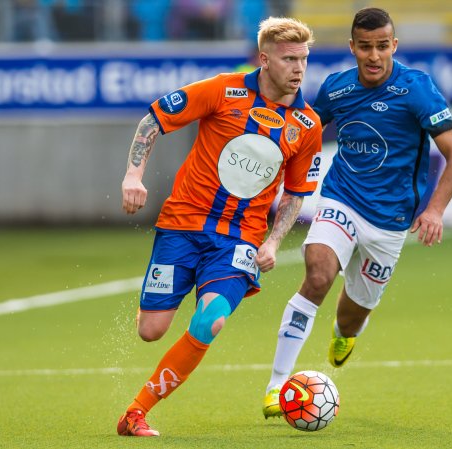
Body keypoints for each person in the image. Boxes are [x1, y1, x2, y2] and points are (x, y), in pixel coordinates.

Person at [116, 16, 322, 437]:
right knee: (151, 331)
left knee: (211, 319)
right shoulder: (223, 89)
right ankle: (158, 301)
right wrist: (133, 175)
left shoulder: (308, 126)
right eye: (288, 59)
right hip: (182, 224)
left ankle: (135, 413)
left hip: (239, 239)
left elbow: (296, 193)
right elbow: (153, 119)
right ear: (264, 60)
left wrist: (273, 240)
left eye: (303, 58)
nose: (298, 68)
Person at [262, 7, 452, 418]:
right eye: (366, 47)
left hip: (390, 222)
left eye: (382, 46)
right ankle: (276, 385)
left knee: (351, 316)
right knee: (317, 275)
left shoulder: (417, 89)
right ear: (352, 47)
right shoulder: (336, 88)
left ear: (394, 45)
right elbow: (305, 134)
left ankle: (344, 333)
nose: (374, 56)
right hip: (341, 199)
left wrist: (435, 211)